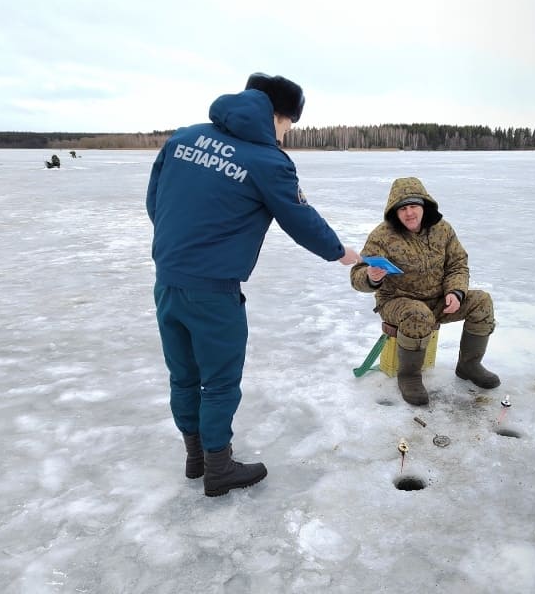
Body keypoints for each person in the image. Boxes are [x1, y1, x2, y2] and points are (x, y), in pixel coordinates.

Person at [146, 72, 360, 496]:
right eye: (288, 126)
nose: (286, 135)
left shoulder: (184, 139)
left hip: (168, 279)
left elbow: (155, 201)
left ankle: (196, 458)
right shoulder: (267, 160)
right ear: (278, 115)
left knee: (183, 375)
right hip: (213, 289)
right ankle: (219, 469)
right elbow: (299, 219)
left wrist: (181, 249)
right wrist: (341, 253)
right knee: (220, 380)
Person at [350, 177, 500, 406]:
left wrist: (456, 292)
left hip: (438, 300)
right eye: (403, 208)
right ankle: (409, 376)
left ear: (423, 206)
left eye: (413, 206)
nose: (409, 213)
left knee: (482, 301)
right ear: (394, 212)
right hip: (396, 302)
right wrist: (370, 277)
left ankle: (469, 365)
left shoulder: (443, 229)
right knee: (418, 313)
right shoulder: (382, 235)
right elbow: (356, 275)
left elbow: (458, 264)